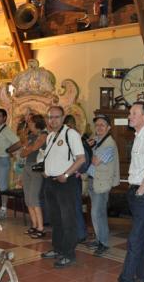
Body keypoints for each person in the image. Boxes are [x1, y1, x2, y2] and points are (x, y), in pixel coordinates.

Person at [107, 101, 144, 282]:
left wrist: (140, 192)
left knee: (134, 240)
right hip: (137, 192)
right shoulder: (139, 135)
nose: (129, 116)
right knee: (142, 235)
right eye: (130, 113)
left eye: (133, 113)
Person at [40, 106, 86, 268]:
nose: (53, 120)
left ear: (63, 117)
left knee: (68, 219)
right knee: (55, 219)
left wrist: (66, 175)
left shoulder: (71, 134)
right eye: (50, 117)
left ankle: (69, 254)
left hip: (65, 183)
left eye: (56, 117)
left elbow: (81, 159)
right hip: (51, 182)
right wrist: (46, 171)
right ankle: (58, 249)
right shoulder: (51, 136)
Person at [85, 114, 119, 256]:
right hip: (94, 180)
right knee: (95, 213)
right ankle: (99, 239)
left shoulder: (109, 144)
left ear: (108, 128)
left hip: (101, 183)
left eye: (102, 125)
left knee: (98, 213)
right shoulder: (98, 141)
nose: (98, 127)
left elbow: (95, 161)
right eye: (97, 125)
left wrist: (87, 148)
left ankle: (103, 243)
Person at [13, 114, 47, 238]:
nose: (29, 125)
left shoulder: (43, 135)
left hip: (36, 168)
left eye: (31, 123)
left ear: (37, 123)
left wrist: (28, 148)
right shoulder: (31, 136)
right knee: (28, 199)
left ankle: (41, 228)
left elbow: (33, 148)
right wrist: (28, 148)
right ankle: (34, 225)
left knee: (34, 198)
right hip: (27, 167)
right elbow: (23, 153)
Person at [64, 114, 88, 243]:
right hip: (70, 175)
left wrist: (79, 170)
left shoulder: (76, 137)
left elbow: (83, 158)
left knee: (75, 206)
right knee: (70, 207)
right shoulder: (74, 137)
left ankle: (80, 233)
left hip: (74, 176)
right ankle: (75, 232)